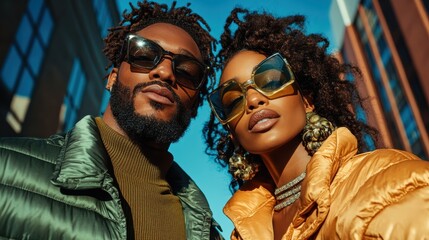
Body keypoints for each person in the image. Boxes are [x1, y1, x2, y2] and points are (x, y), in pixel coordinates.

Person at [0, 1, 223, 239]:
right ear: (112, 79)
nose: (165, 72)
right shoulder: (6, 169)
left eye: (186, 71)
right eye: (146, 55)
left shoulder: (206, 231)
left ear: (195, 106)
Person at [204, 8, 429, 240]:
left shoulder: (386, 181)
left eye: (270, 81)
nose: (253, 100)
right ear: (232, 133)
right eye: (233, 101)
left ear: (307, 100)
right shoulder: (242, 233)